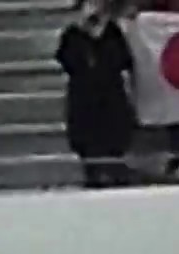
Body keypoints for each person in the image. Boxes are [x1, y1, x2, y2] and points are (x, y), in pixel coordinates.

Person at [56, 0, 134, 188]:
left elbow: (123, 60)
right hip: (84, 97)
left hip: (110, 94)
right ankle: (93, 173)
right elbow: (68, 61)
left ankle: (115, 171)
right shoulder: (72, 35)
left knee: (113, 135)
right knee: (88, 138)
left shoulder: (113, 32)